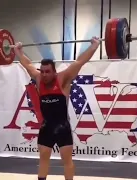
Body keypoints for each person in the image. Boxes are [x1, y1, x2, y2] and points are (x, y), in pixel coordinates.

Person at [13, 37, 100, 180]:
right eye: (42, 71)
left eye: (48, 71)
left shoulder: (63, 78)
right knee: (43, 159)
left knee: (67, 162)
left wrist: (94, 47)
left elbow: (80, 62)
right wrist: (18, 52)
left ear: (54, 71)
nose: (45, 75)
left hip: (62, 127)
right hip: (46, 127)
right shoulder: (38, 78)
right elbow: (27, 64)